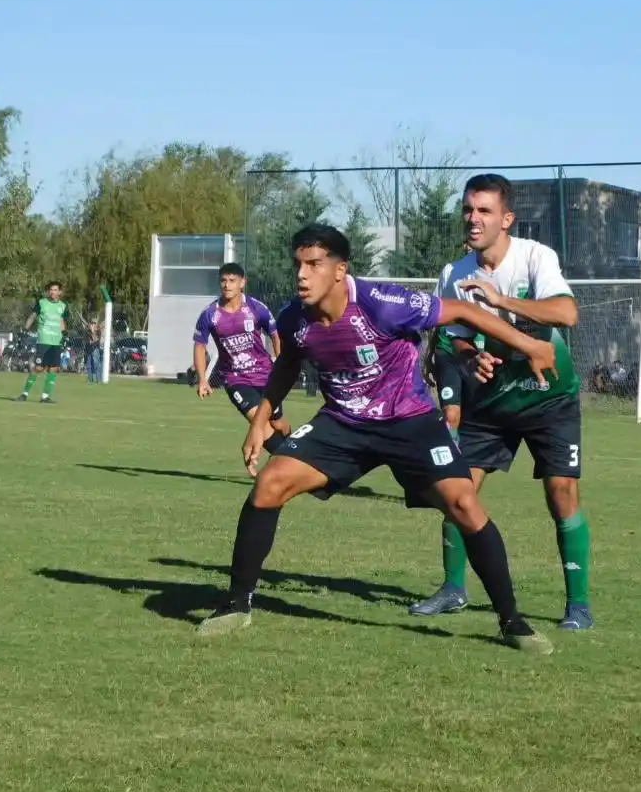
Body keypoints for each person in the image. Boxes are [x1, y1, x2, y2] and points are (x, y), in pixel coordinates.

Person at [196, 223, 559, 653]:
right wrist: (260, 423)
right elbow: (288, 363)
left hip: (409, 420)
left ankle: (513, 622)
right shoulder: (294, 316)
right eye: (298, 264)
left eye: (314, 264)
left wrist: (528, 345)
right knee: (270, 483)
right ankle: (237, 604)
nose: (302, 275)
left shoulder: (383, 303)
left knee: (463, 502)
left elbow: (463, 312)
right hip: (343, 422)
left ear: (339, 269)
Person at [407, 173, 595, 632]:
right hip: (491, 405)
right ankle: (453, 589)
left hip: (549, 398)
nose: (474, 218)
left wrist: (501, 299)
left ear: (506, 219)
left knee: (561, 493)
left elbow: (566, 313)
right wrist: (472, 360)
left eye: (485, 211)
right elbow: (452, 342)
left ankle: (579, 606)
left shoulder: (535, 257)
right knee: (455, 491)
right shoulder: (454, 274)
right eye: (469, 209)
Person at [193, 263, 291, 454]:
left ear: (242, 283)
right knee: (258, 422)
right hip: (236, 379)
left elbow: (275, 334)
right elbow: (199, 346)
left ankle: (293, 456)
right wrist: (203, 379)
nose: (227, 285)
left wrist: (281, 364)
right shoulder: (209, 314)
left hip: (266, 376)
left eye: (232, 281)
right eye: (223, 281)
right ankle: (290, 463)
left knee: (278, 423)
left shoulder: (256, 308)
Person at [16, 281, 69, 404]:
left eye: (55, 290)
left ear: (60, 292)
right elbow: (32, 317)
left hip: (56, 342)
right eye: (51, 290)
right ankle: (24, 394)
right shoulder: (42, 303)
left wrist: (65, 334)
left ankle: (45, 397)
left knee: (53, 369)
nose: (52, 292)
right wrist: (25, 330)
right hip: (44, 341)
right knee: (39, 368)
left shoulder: (63, 306)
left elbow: (62, 322)